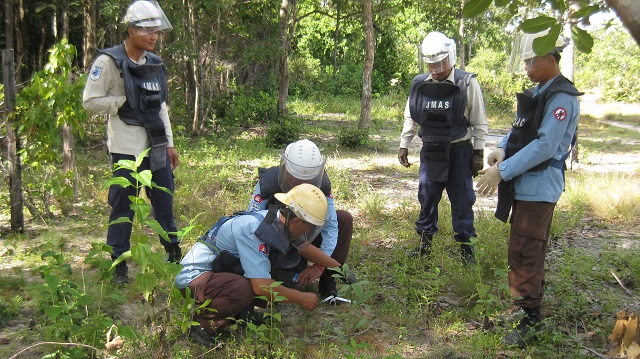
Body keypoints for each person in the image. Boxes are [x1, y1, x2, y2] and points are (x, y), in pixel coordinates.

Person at [475, 29, 582, 347]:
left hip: (539, 187)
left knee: (526, 252)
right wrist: (502, 150)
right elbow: (520, 131)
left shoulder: (561, 97)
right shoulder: (540, 92)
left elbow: (546, 146)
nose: (526, 66)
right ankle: (521, 309)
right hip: (526, 185)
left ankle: (530, 321)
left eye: (531, 60)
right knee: (522, 250)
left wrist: (502, 172)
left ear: (551, 60)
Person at [83, 0, 181, 284]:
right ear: (130, 30)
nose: (154, 36)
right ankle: (119, 264)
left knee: (164, 203)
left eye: (157, 31)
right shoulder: (109, 62)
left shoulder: (155, 64)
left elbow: (161, 106)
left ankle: (174, 254)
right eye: (148, 30)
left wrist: (170, 143)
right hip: (126, 149)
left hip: (157, 146)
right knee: (122, 206)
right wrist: (122, 101)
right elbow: (89, 101)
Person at [176, 183, 341, 347]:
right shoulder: (253, 230)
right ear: (297, 221)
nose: (307, 232)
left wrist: (338, 268)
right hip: (195, 280)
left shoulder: (279, 220)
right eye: (309, 227)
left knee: (266, 267)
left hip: (218, 273)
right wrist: (301, 298)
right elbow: (261, 287)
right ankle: (202, 325)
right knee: (244, 289)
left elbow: (304, 247)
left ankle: (242, 314)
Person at [398, 31, 488, 263]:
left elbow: (479, 121)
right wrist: (404, 145)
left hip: (459, 150)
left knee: (462, 200)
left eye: (440, 63)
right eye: (431, 64)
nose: (436, 69)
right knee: (427, 198)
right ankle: (424, 245)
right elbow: (411, 117)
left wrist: (478, 153)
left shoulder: (467, 83)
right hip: (431, 150)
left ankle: (467, 249)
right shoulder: (419, 85)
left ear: (451, 57)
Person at [247, 139, 354, 299]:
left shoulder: (322, 186)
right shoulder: (268, 183)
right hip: (277, 243)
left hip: (306, 238)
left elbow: (331, 227)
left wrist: (320, 267)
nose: (301, 185)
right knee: (287, 286)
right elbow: (252, 223)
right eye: (294, 181)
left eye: (308, 182)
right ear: (285, 171)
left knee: (343, 219)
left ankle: (328, 283)